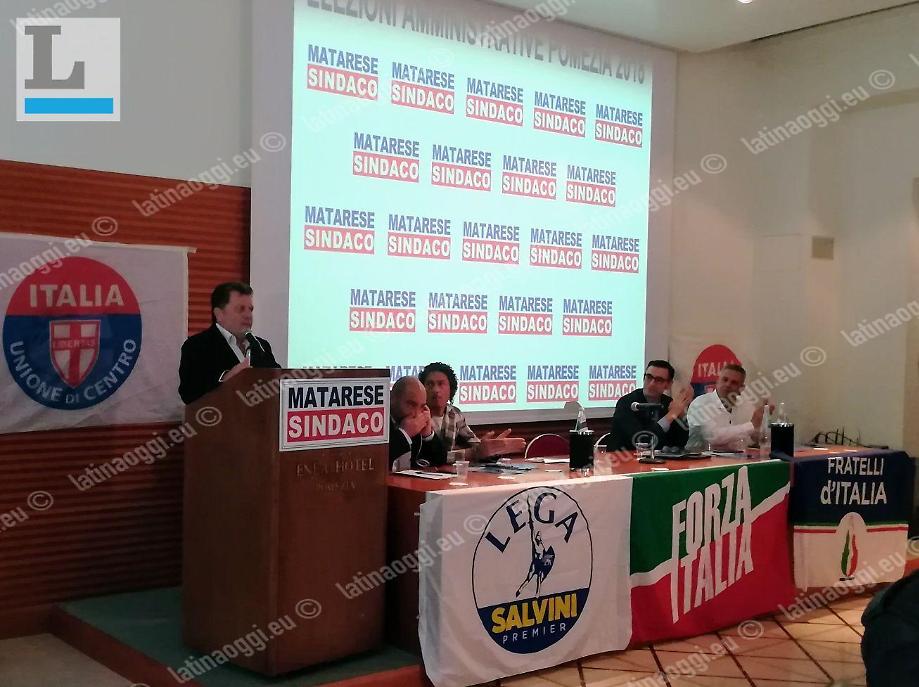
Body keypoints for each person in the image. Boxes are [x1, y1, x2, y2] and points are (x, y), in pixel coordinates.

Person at [178, 281, 280, 404]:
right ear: (219, 314)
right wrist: (226, 380)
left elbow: (278, 381)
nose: (248, 315)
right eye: (240, 309)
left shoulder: (261, 346)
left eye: (250, 309)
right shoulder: (196, 346)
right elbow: (189, 394)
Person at [419, 361, 525, 460]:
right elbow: (430, 457)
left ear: (451, 389)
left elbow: (476, 446)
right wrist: (473, 453)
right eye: (430, 384)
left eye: (441, 384)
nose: (436, 390)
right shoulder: (417, 415)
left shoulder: (454, 414)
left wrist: (493, 450)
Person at [606, 360, 691, 451]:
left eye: (659, 380)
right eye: (649, 377)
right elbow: (643, 441)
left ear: (668, 385)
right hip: (624, 457)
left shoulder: (668, 403)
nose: (651, 384)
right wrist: (671, 415)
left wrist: (681, 416)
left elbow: (681, 442)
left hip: (660, 458)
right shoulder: (627, 403)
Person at [686, 364, 771, 451]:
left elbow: (751, 439)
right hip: (701, 457)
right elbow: (712, 437)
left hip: (737, 457)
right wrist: (751, 425)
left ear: (741, 388)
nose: (728, 384)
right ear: (717, 381)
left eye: (734, 382)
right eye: (725, 379)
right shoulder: (700, 403)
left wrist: (764, 421)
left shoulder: (746, 405)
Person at [389, 376, 447, 471]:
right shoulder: (377, 420)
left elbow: (440, 461)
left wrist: (428, 436)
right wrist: (404, 434)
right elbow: (377, 460)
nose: (417, 414)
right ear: (392, 399)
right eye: (411, 404)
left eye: (422, 407)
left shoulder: (417, 422)